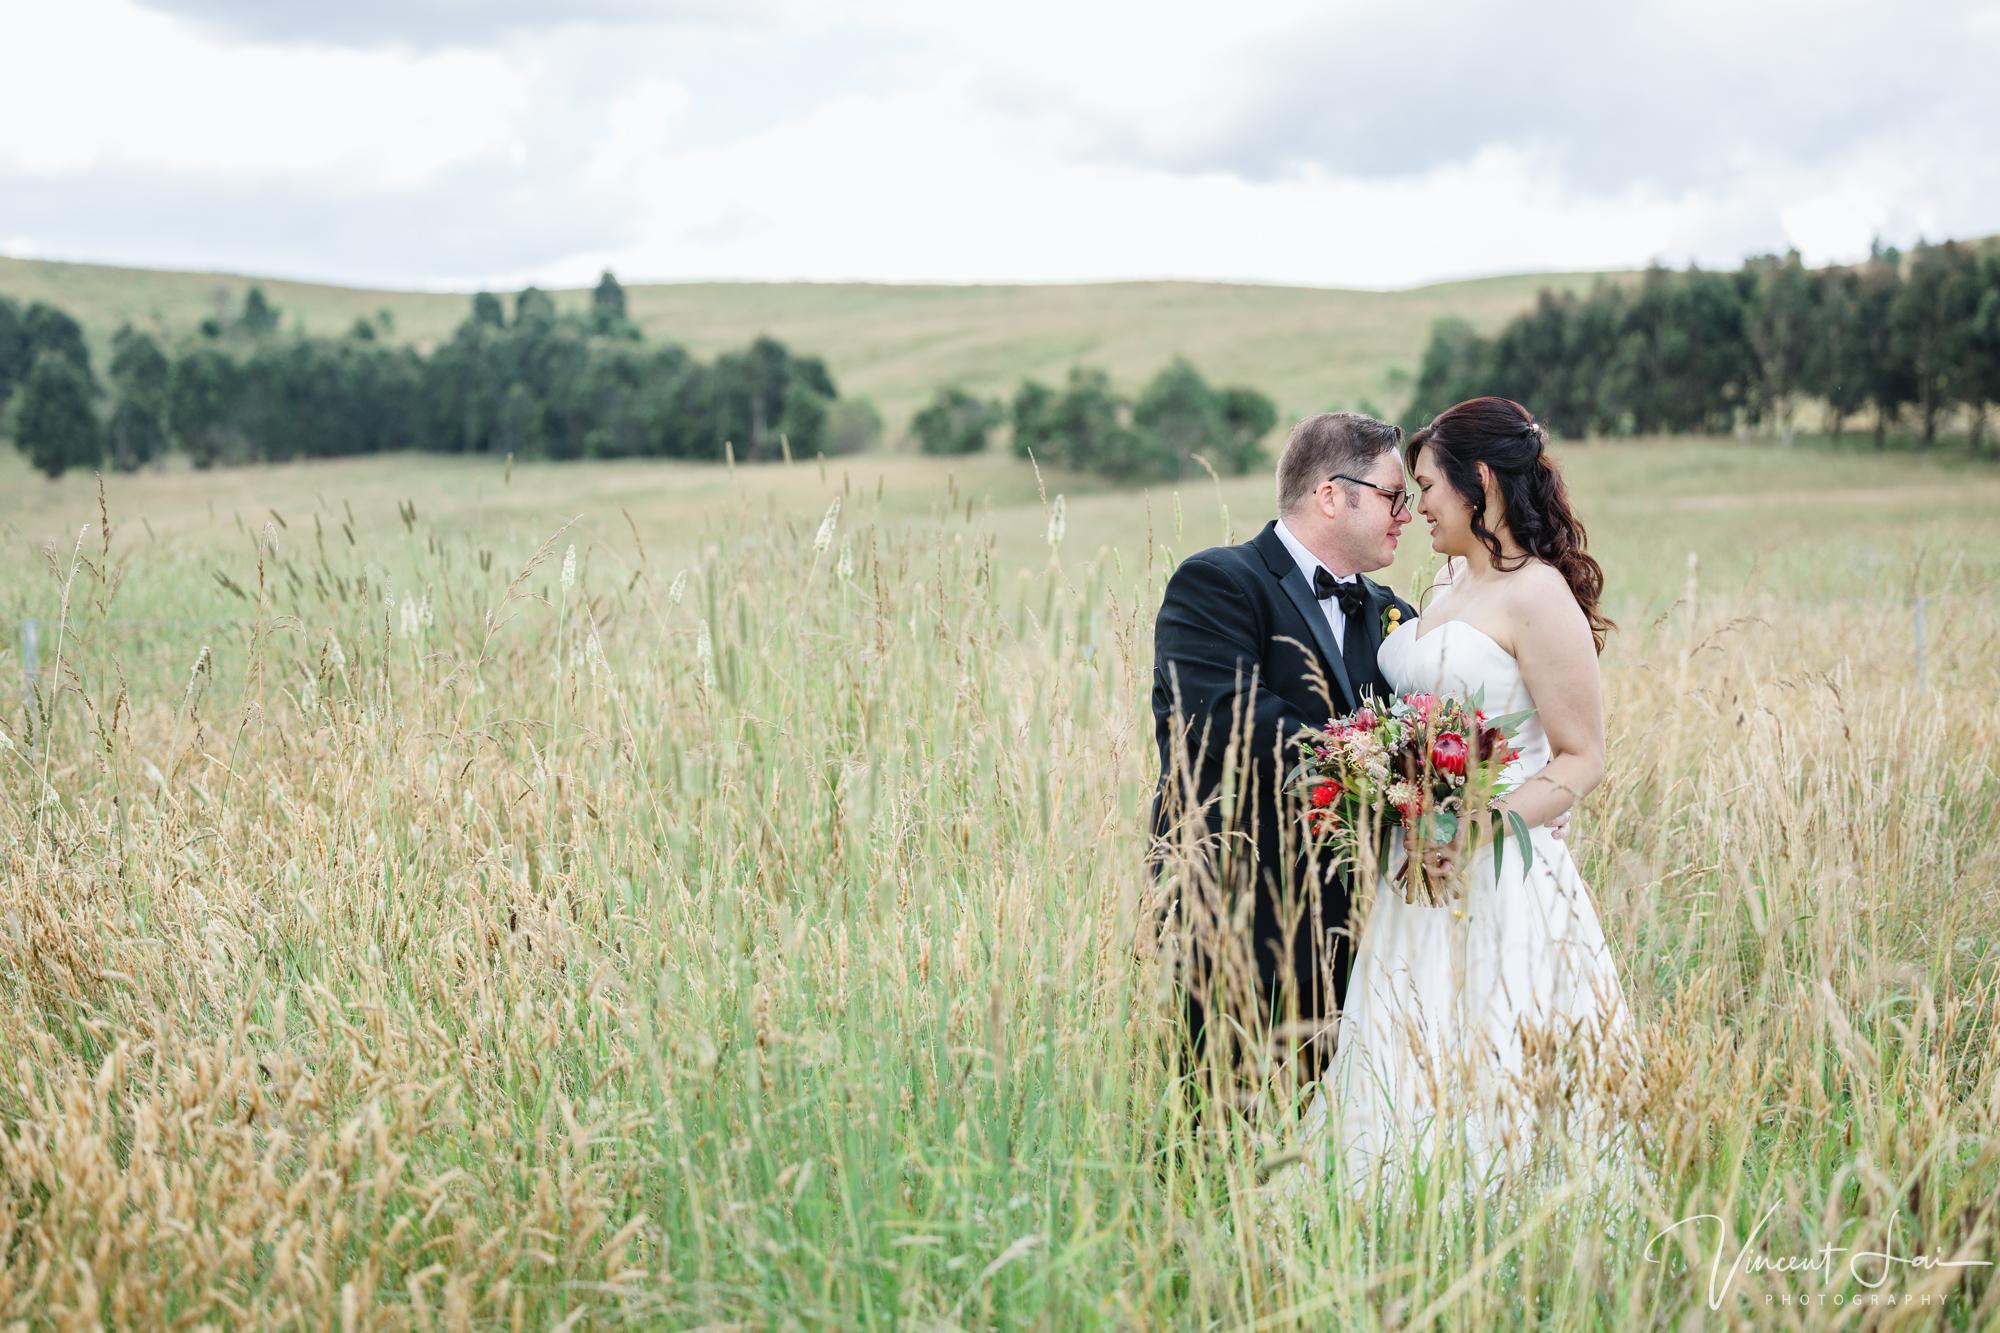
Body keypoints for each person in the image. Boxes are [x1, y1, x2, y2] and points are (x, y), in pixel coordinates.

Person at [1319, 396, 1636, 1185]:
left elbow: (1581, 755)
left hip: (1503, 878)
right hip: (1414, 876)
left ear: (1480, 481)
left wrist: (1478, 825)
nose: (1415, 504)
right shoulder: (1447, 580)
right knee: (1404, 1057)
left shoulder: (1538, 593)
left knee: (1495, 1062)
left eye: (1425, 486)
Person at [1151, 412, 1418, 1089]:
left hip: (1363, 928)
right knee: (1221, 1132)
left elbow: (1435, 730)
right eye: (1393, 495)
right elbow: (1229, 722)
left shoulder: (1399, 617)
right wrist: (1380, 762)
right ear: (1332, 493)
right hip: (1240, 916)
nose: (1406, 515)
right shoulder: (1217, 583)